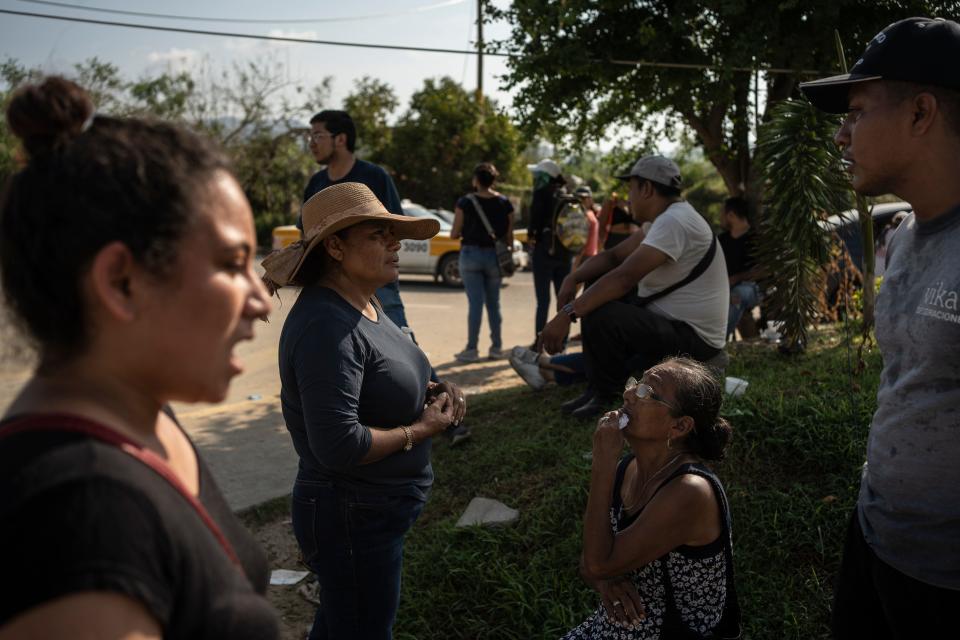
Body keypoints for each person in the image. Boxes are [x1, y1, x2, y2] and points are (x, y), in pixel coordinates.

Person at [0, 77, 278, 638]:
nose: (261, 297)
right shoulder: (81, 513)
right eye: (231, 263)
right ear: (122, 282)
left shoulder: (147, 417)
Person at [799, 16, 960, 638]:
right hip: (875, 534)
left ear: (921, 113)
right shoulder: (905, 235)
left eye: (858, 111)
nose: (841, 135)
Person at [263, 182, 467, 640]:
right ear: (335, 246)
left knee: (342, 626)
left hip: (372, 513)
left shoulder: (365, 302)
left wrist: (438, 387)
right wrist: (421, 429)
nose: (396, 244)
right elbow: (339, 445)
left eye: (393, 234)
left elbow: (386, 372)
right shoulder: (323, 325)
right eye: (378, 234)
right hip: (351, 515)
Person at [563, 357, 740, 639]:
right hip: (621, 626)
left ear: (679, 426)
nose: (629, 394)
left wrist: (602, 465)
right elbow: (589, 564)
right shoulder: (628, 468)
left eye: (647, 392)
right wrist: (606, 582)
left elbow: (597, 563)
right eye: (636, 383)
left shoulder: (689, 490)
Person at [540, 156, 728, 419]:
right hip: (675, 326)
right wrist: (573, 279)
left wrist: (567, 314)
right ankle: (596, 389)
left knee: (602, 311)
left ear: (647, 189)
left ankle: (606, 395)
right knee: (597, 288)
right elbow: (613, 257)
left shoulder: (675, 222)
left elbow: (624, 277)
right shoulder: (665, 219)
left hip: (695, 340)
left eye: (631, 189)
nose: (628, 198)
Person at [299, 109, 410, 330]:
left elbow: (396, 228)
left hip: (378, 285)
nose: (311, 143)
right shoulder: (316, 183)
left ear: (340, 139)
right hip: (330, 287)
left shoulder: (375, 177)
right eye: (310, 137)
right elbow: (306, 236)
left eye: (318, 135)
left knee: (402, 353)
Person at [450, 162, 514, 362]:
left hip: (470, 255)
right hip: (495, 257)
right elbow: (509, 237)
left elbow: (454, 233)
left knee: (475, 305)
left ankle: (471, 350)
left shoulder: (465, 202)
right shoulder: (505, 203)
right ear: (494, 180)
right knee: (494, 304)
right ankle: (496, 348)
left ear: (476, 180)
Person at [527, 158, 573, 344]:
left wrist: (532, 240)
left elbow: (533, 225)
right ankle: (562, 341)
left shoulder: (540, 194)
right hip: (565, 253)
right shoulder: (567, 196)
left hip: (544, 251)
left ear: (546, 176)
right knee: (563, 302)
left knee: (543, 301)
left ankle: (540, 340)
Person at [717, 196, 761, 340]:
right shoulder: (721, 240)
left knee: (737, 295)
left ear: (731, 215)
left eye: (722, 214)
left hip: (751, 288)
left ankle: (717, 341)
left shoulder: (756, 238)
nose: (720, 218)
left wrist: (737, 278)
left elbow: (763, 271)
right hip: (724, 288)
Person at [572, 185, 601, 271]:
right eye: (580, 198)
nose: (583, 200)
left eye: (585, 198)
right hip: (584, 256)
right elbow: (581, 240)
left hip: (589, 256)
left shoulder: (590, 213)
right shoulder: (582, 214)